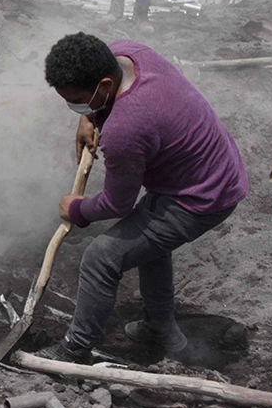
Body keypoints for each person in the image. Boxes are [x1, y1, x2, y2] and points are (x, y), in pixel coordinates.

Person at [42, 32, 247, 362]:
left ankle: (74, 349)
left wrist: (76, 209)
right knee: (149, 241)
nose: (74, 106)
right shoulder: (127, 52)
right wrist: (88, 117)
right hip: (214, 168)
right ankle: (162, 329)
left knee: (101, 257)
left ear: (105, 85)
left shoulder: (126, 129)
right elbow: (100, 92)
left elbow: (116, 204)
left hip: (200, 198)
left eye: (78, 99)